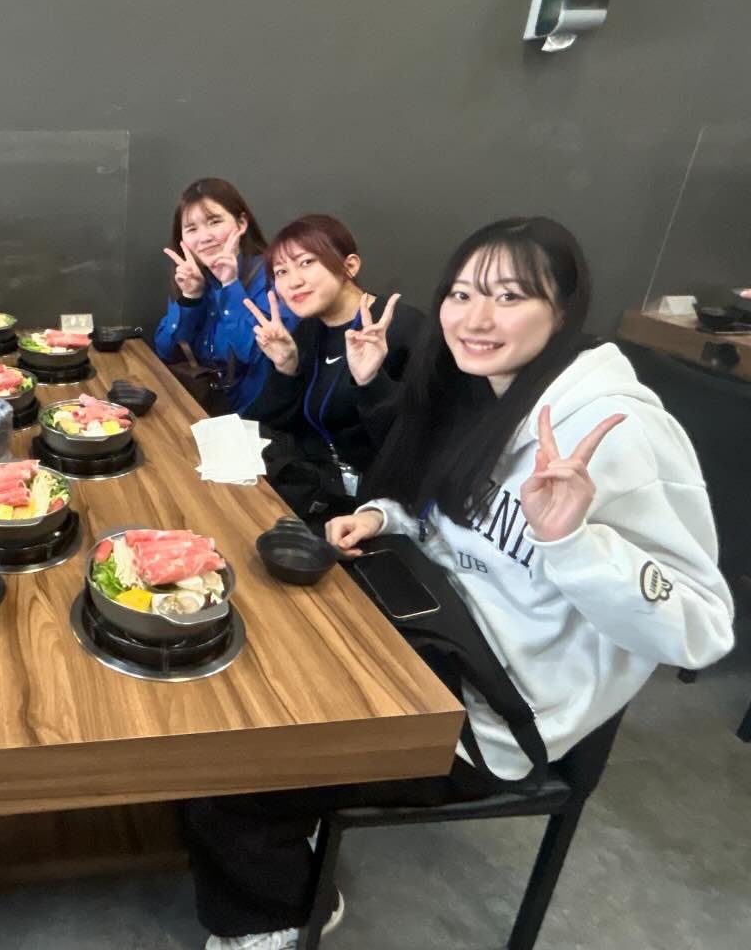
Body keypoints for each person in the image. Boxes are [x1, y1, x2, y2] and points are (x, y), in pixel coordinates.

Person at [182, 217, 735, 950]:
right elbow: (444, 514)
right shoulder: (483, 390)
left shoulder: (616, 431)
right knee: (226, 676)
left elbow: (702, 631)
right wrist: (381, 517)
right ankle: (282, 842)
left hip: (494, 717)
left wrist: (574, 544)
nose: (476, 319)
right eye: (464, 294)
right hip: (423, 632)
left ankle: (276, 916)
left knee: (227, 767)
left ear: (563, 310)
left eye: (509, 297)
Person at [241, 215, 423, 520]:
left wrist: (371, 382)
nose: (293, 281)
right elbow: (272, 424)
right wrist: (286, 368)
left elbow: (418, 446)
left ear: (349, 266)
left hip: (380, 509)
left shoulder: (404, 329)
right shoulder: (308, 331)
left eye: (306, 262)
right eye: (281, 271)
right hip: (320, 490)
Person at [153, 178, 298, 415]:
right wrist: (191, 298)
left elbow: (253, 351)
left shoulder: (275, 276)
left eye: (215, 222)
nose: (204, 237)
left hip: (257, 416)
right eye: (191, 229)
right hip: (201, 405)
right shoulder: (194, 276)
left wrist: (230, 284)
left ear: (241, 223)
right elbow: (166, 351)